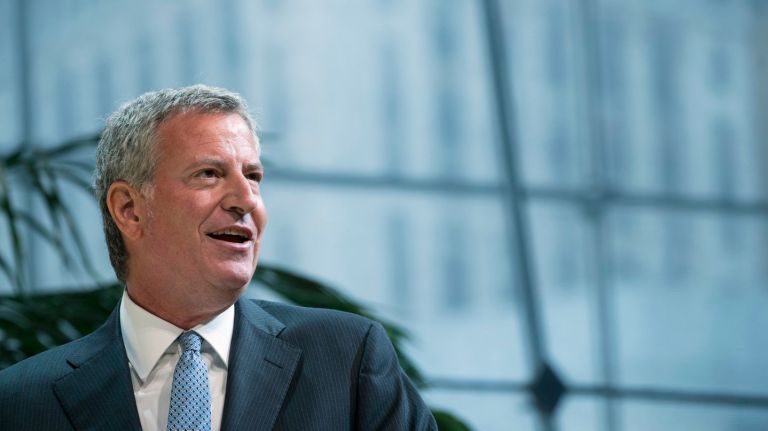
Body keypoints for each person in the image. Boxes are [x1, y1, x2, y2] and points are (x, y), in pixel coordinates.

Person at [0, 85, 437, 430]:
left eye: (253, 176)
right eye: (209, 174)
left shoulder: (347, 360)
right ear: (129, 210)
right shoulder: (21, 402)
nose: (246, 199)